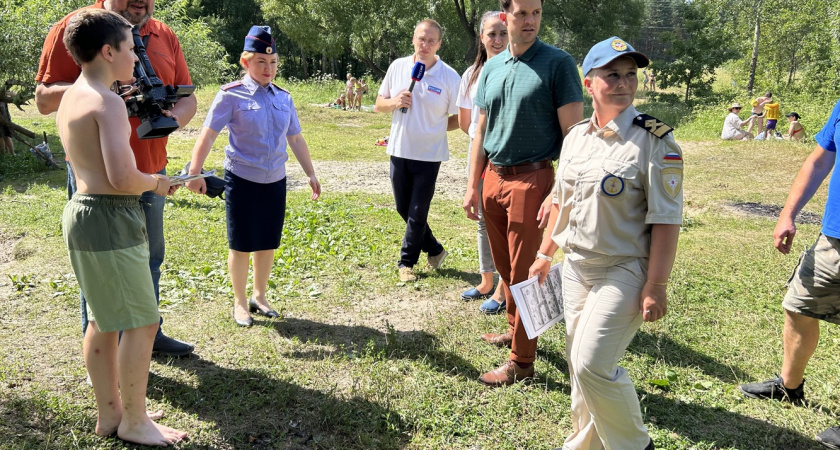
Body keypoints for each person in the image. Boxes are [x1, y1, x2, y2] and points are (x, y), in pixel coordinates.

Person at [530, 37, 682, 450]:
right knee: (579, 368)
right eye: (612, 75)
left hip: (626, 268)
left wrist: (656, 285)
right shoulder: (576, 136)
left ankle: (636, 446)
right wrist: (546, 253)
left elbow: (666, 221)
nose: (623, 83)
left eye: (630, 75)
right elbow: (562, 199)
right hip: (578, 268)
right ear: (588, 82)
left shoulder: (655, 140)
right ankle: (585, 445)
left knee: (592, 364)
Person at [35, 0, 197, 357]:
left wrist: (166, 120)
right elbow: (44, 100)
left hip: (150, 168)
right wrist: (109, 93)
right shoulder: (79, 26)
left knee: (150, 257)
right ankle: (108, 343)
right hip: (98, 181)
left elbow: (188, 95)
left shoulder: (163, 34)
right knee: (102, 268)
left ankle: (145, 335)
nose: (140, 1)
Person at [58, 9, 186, 445]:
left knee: (104, 321)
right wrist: (161, 184)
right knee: (143, 322)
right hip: (111, 216)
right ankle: (135, 421)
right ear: (108, 51)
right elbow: (122, 177)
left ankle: (110, 415)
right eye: (131, 48)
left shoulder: (76, 94)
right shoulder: (107, 102)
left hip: (83, 212)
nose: (136, 56)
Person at [462, 0, 583, 386]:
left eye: (536, 13)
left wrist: (558, 190)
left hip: (534, 181)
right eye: (521, 13)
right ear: (504, 16)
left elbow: (574, 137)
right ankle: (516, 330)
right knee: (505, 269)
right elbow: (480, 130)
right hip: (493, 179)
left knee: (526, 273)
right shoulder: (492, 67)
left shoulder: (558, 63)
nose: (529, 21)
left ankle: (522, 363)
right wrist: (472, 185)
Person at [186, 26, 321, 327]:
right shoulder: (230, 95)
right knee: (241, 243)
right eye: (261, 62)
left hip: (275, 179)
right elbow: (207, 135)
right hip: (242, 179)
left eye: (272, 63)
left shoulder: (284, 97)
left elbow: (295, 138)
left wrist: (310, 173)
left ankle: (260, 297)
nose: (268, 69)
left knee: (267, 242)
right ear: (245, 62)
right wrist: (194, 172)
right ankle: (239, 302)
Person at [738, 98, 840, 449]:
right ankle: (790, 386)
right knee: (798, 305)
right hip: (834, 236)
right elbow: (819, 160)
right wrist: (788, 213)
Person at [376, 19, 460, 282]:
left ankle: (406, 263)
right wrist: (394, 102)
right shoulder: (399, 67)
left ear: (439, 44)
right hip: (399, 149)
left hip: (429, 154)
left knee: (417, 211)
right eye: (421, 39)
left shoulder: (449, 76)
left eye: (431, 40)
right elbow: (379, 103)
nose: (425, 45)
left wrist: (436, 128)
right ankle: (434, 250)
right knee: (403, 207)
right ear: (413, 39)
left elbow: (460, 116)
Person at [456, 11, 508, 313]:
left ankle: (503, 289)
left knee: (502, 222)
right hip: (479, 156)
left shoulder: (515, 68)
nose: (498, 40)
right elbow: (466, 122)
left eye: (503, 33)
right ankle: (486, 281)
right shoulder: (471, 75)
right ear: (481, 37)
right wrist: (481, 144)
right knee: (481, 221)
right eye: (492, 34)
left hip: (506, 157)